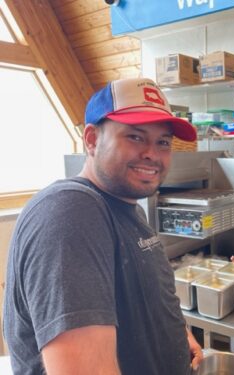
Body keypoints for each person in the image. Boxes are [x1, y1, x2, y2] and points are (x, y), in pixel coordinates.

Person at [3, 78, 203, 374]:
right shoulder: (70, 211)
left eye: (163, 142)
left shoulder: (126, 208)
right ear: (92, 139)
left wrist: (177, 334)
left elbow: (141, 297)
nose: (152, 153)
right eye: (135, 137)